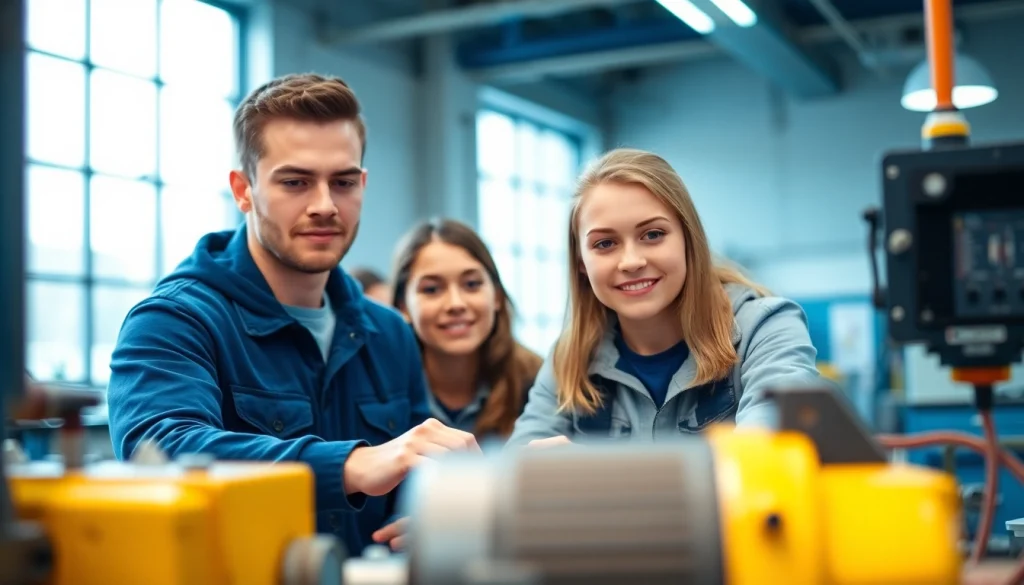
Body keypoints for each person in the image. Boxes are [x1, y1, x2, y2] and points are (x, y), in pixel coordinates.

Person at [105, 73, 479, 556]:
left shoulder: (389, 333)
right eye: (296, 182)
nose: (324, 205)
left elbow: (417, 480)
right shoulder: (175, 321)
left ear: (362, 184)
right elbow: (156, 451)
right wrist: (351, 465)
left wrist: (434, 512)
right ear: (243, 189)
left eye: (342, 182)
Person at [507, 148, 823, 447]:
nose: (631, 261)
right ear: (581, 263)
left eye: (653, 235)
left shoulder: (766, 329)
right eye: (605, 243)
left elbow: (770, 453)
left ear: (689, 239)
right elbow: (519, 467)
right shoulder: (570, 357)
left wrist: (592, 480)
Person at [390, 218, 543, 444]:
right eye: (432, 289)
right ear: (403, 306)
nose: (456, 304)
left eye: (471, 284)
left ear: (497, 297)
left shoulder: (539, 383)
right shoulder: (381, 385)